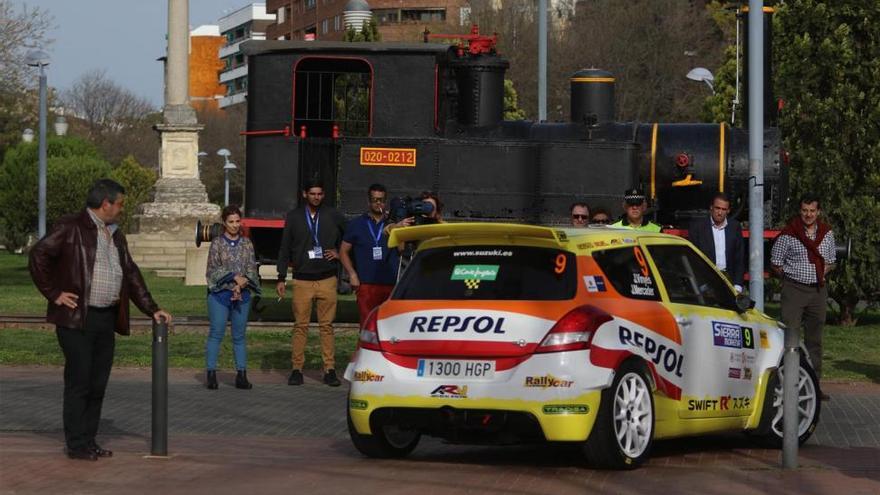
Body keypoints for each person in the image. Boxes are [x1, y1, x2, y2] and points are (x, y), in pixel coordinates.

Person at [28, 179, 172, 461]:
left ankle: (89, 440)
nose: (121, 209)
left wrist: (151, 308)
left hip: (106, 319)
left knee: (97, 384)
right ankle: (77, 444)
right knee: (79, 382)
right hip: (77, 320)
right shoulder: (71, 227)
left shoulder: (115, 234)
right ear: (105, 203)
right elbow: (38, 256)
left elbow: (130, 273)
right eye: (119, 204)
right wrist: (54, 293)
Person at [276, 181, 347, 387]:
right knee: (300, 326)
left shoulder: (333, 215)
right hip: (302, 279)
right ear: (304, 194)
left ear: (323, 195)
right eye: (312, 193)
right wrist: (281, 277)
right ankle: (297, 369)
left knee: (327, 327)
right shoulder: (294, 216)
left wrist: (338, 252)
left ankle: (329, 369)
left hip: (327, 278)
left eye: (320, 193)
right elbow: (285, 248)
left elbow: (350, 236)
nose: (316, 197)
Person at [771, 194, 836, 400]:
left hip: (818, 290)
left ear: (818, 212)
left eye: (812, 211)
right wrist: (792, 277)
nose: (808, 214)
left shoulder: (827, 234)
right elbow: (776, 262)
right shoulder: (789, 233)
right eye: (805, 210)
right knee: (790, 337)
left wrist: (823, 270)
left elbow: (832, 260)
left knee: (815, 339)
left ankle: (814, 386)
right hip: (794, 290)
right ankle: (787, 383)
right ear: (800, 211)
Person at [205, 204, 260, 390]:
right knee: (216, 333)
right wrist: (233, 278)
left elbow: (252, 268)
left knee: (239, 336)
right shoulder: (217, 243)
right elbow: (212, 269)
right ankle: (211, 374)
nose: (235, 225)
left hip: (242, 295)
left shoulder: (247, 243)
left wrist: (241, 283)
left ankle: (241, 375)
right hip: (220, 296)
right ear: (224, 222)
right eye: (231, 222)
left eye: (238, 221)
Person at [339, 184, 400, 327]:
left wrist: (398, 228)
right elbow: (343, 251)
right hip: (366, 284)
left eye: (381, 200)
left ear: (385, 202)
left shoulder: (392, 224)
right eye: (374, 200)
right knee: (367, 326)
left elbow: (402, 250)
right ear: (368, 202)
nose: (378, 203)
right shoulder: (356, 224)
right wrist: (352, 274)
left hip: (390, 284)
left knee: (389, 326)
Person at [688, 192, 746, 293]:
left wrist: (738, 285)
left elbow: (739, 258)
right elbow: (693, 259)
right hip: (705, 283)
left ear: (728, 211)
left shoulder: (734, 227)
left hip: (729, 281)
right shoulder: (698, 227)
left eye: (723, 209)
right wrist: (700, 284)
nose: (720, 212)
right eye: (717, 208)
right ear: (711, 208)